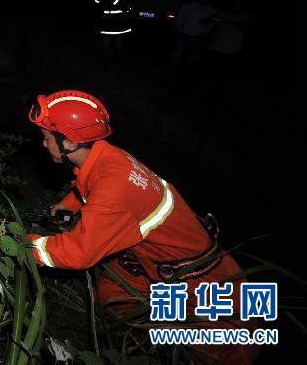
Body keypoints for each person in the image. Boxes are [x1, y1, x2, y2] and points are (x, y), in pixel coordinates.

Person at [27, 90, 256, 364]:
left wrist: (25, 245)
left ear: (72, 143)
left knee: (220, 352)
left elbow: (77, 254)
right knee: (112, 297)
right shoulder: (106, 157)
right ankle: (147, 338)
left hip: (199, 281)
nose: (43, 143)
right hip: (156, 264)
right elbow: (90, 185)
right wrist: (71, 204)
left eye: (46, 137)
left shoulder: (114, 189)